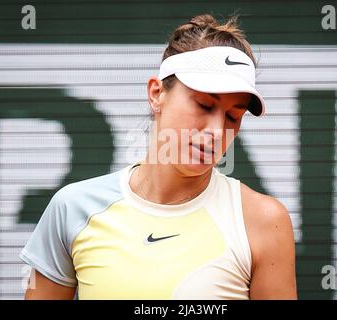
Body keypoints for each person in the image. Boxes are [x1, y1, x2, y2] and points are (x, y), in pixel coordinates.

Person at [21, 13, 297, 300]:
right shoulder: (72, 208)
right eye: (204, 105)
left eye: (232, 116)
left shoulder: (265, 221)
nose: (217, 131)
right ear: (156, 94)